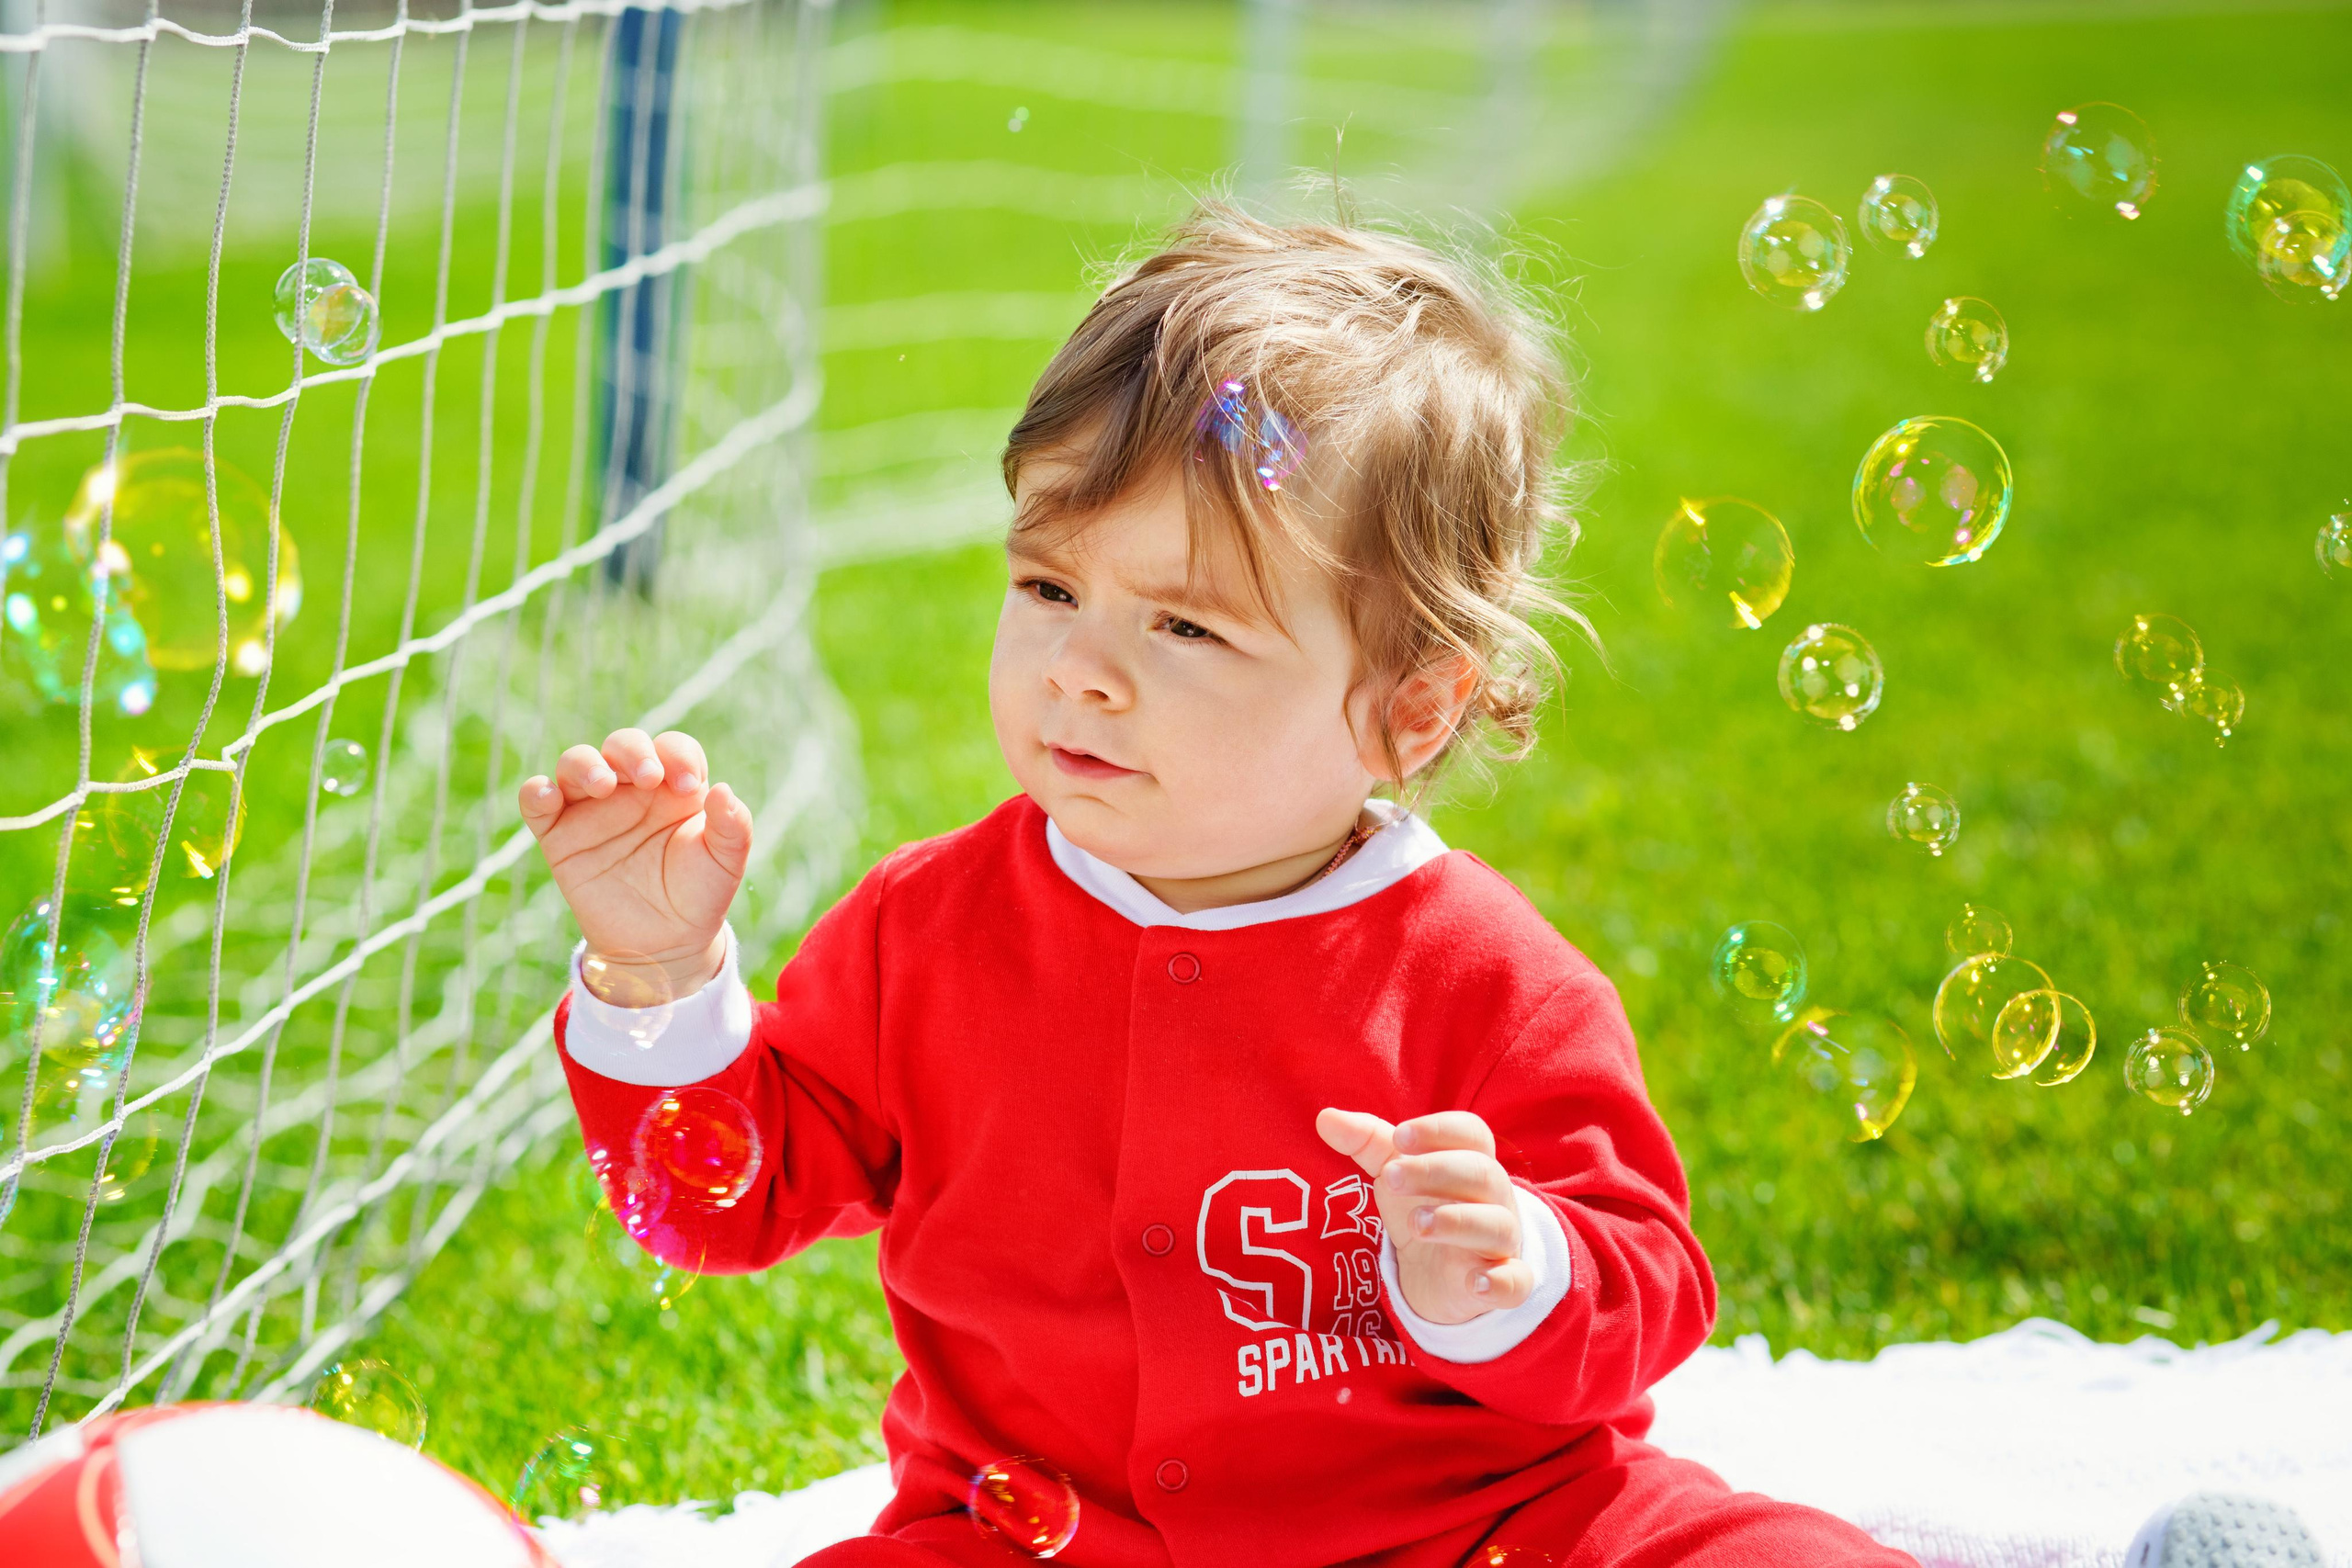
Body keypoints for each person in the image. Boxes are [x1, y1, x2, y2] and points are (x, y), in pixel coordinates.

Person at [517, 207, 2310, 1567]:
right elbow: (719, 1203)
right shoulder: (928, 923)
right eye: (1048, 586)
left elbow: (1641, 1288)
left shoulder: (1477, 979)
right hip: (1031, 1528)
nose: (1078, 669)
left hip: (1481, 1527)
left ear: (1408, 705)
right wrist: (662, 976)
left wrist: (1507, 1267)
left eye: (1185, 624)